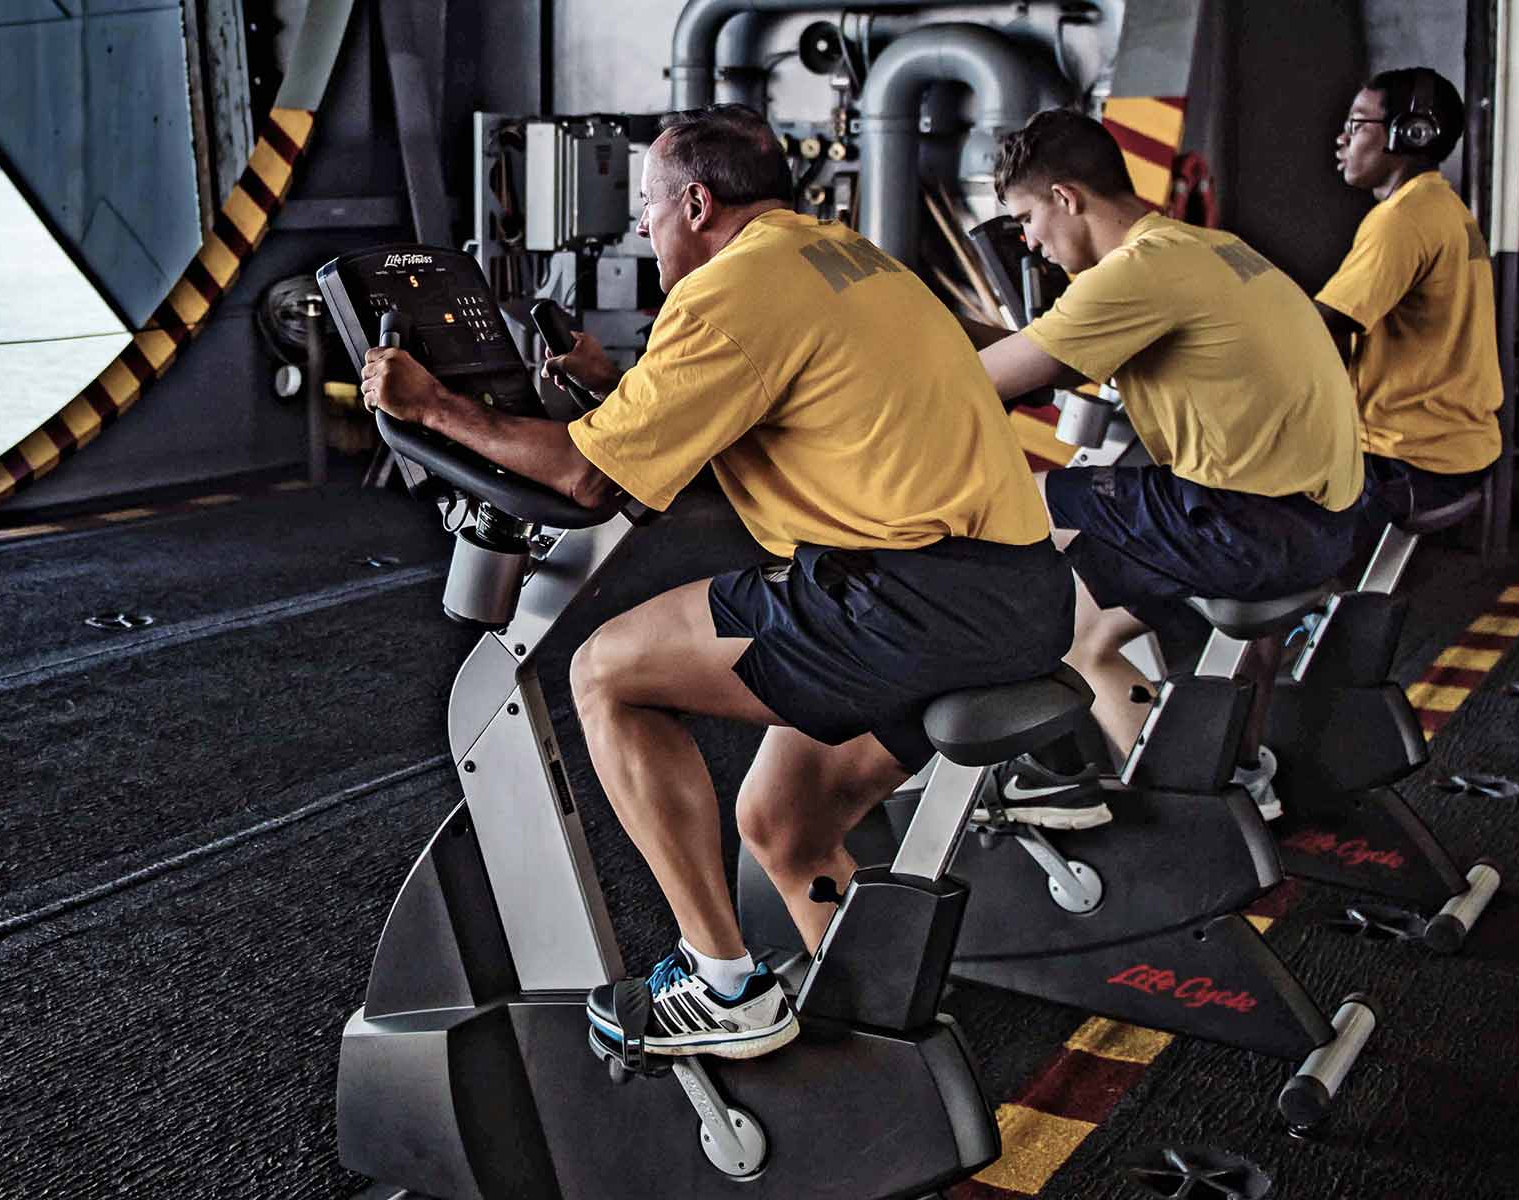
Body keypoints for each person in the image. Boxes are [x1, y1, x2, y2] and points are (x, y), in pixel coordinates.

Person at [359, 104, 1070, 1061]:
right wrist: (611, 392)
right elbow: (716, 417)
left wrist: (433, 406)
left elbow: (584, 478)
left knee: (608, 672)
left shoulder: (732, 289)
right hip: (1018, 596)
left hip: (905, 603)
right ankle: (880, 1049)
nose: (643, 226)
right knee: (783, 821)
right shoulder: (843, 257)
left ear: (696, 204)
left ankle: (722, 982)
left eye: (649, 207)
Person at [960, 109, 1364, 824]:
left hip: (1250, 528)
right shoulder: (1206, 247)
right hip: (1321, 519)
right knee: (1086, 632)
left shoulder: (1135, 273)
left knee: (1012, 502)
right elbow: (1066, 357)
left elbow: (974, 386)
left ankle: (1137, 793)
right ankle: (1241, 775)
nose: (1030, 244)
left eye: (1026, 220)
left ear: (1065, 197)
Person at [1317, 67, 1506, 528]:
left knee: (1242, 508)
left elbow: (1327, 321)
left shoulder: (1402, 219)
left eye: (1357, 124)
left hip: (1407, 459)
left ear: (1412, 134)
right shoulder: (1445, 207)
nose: (1342, 140)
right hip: (1458, 449)